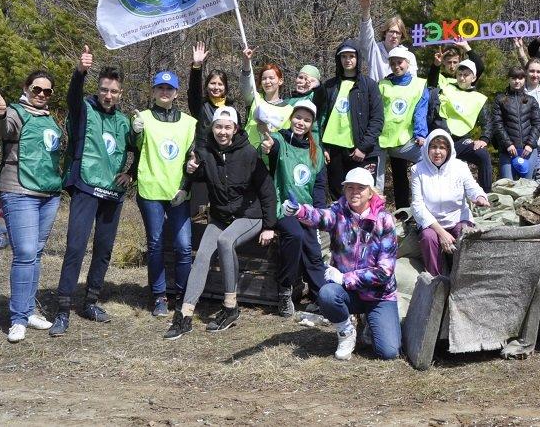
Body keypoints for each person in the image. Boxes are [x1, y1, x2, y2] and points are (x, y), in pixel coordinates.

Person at [164, 107, 276, 339]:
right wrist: (191, 169)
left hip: (250, 216)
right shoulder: (206, 151)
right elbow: (198, 174)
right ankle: (185, 315)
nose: (222, 132)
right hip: (221, 217)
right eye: (218, 126)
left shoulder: (248, 154)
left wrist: (269, 225)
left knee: (226, 241)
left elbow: (267, 191)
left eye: (227, 127)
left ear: (235, 129)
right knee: (203, 256)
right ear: (212, 128)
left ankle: (230, 306)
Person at [50, 46, 134, 336]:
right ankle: (62, 309)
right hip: (86, 187)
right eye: (104, 89)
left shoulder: (124, 121)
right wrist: (80, 72)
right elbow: (73, 96)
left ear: (121, 93)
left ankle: (91, 301)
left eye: (114, 91)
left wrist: (130, 173)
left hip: (113, 194)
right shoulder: (84, 108)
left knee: (104, 250)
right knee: (75, 247)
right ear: (98, 89)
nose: (108, 95)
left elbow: (138, 148)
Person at [292, 167, 400, 361]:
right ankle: (346, 331)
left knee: (389, 352)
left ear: (370, 192)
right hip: (348, 293)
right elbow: (320, 216)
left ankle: (368, 321)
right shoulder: (338, 213)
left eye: (360, 188)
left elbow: (384, 272)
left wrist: (344, 278)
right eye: (350, 187)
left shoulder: (385, 221)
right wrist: (300, 210)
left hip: (378, 295)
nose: (354, 192)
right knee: (327, 294)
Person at [0, 71, 62, 342]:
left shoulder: (49, 117)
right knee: (24, 252)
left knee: (35, 252)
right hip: (19, 191)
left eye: (47, 91)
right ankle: (18, 319)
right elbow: (2, 130)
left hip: (49, 194)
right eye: (37, 89)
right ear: (26, 88)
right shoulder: (13, 112)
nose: (42, 95)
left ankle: (29, 309)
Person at [132, 70, 197, 318]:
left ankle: (183, 295)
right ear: (153, 91)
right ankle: (159, 295)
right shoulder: (143, 117)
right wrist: (135, 132)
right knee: (156, 244)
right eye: (160, 88)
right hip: (151, 191)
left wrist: (186, 186)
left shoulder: (190, 122)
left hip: (178, 192)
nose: (165, 92)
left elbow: (194, 159)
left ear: (176, 93)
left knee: (183, 246)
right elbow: (134, 146)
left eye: (169, 89)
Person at [261, 100, 329, 317]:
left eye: (307, 120)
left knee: (314, 250)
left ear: (312, 124)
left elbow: (319, 187)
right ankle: (285, 289)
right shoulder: (280, 140)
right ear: (291, 118)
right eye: (298, 117)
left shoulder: (316, 151)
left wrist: (318, 214)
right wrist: (268, 147)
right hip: (283, 207)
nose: (301, 123)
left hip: (306, 210)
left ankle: (322, 296)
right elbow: (269, 150)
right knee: (296, 234)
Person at [410, 129, 490, 276]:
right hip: (432, 223)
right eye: (433, 147)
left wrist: (479, 197)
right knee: (428, 237)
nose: (437, 152)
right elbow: (417, 205)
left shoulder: (460, 166)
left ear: (449, 149)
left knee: (465, 233)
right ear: (427, 148)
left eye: (442, 147)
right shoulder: (417, 170)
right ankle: (436, 279)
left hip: (458, 219)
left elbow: (472, 186)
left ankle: (463, 276)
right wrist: (441, 233)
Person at [314, 40, 383, 200]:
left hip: (359, 149)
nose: (348, 60)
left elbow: (377, 119)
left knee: (362, 193)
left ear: (358, 58)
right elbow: (319, 118)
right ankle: (342, 224)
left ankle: (363, 224)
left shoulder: (369, 85)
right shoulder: (329, 86)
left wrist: (364, 147)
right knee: (338, 193)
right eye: (344, 56)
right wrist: (323, 147)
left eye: (351, 56)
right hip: (334, 149)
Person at [427, 58, 494, 191]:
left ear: (473, 77)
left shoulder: (479, 98)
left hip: (461, 140)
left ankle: (486, 193)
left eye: (466, 75)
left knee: (482, 154)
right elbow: (432, 82)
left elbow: (487, 121)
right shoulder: (446, 86)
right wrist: (435, 65)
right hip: (442, 138)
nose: (462, 78)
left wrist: (484, 139)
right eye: (459, 74)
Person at [188, 41, 236, 222]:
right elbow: (193, 90)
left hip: (225, 166)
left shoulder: (232, 110)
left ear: (226, 87)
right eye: (212, 83)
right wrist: (197, 66)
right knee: (199, 216)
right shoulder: (200, 106)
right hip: (202, 162)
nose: (216, 87)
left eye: (220, 84)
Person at [377, 46, 427, 208]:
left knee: (427, 162)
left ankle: (425, 204)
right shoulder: (382, 84)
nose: (396, 66)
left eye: (400, 62)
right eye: (393, 63)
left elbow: (420, 111)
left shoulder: (419, 85)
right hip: (383, 140)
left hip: (406, 140)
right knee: (381, 179)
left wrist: (421, 133)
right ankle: (380, 213)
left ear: (408, 63)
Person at [492, 66, 540, 180]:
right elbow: (497, 124)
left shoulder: (531, 100)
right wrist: (508, 144)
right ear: (509, 79)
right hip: (508, 151)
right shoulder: (500, 99)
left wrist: (530, 144)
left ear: (525, 79)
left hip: (528, 150)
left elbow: (537, 123)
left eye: (520, 78)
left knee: (527, 187)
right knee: (507, 187)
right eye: (514, 78)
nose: (517, 81)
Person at [357, 0, 417, 82]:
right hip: (376, 95)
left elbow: (413, 83)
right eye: (391, 31)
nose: (394, 35)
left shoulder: (409, 56)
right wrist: (366, 10)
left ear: (402, 36)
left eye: (398, 33)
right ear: (385, 33)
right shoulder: (374, 51)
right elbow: (366, 36)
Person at [239, 48, 292, 149]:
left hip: (269, 157)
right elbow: (245, 85)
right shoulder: (255, 98)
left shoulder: (289, 109)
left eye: (271, 78)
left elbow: (286, 138)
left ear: (280, 81)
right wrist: (246, 63)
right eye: (264, 79)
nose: (267, 82)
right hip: (248, 152)